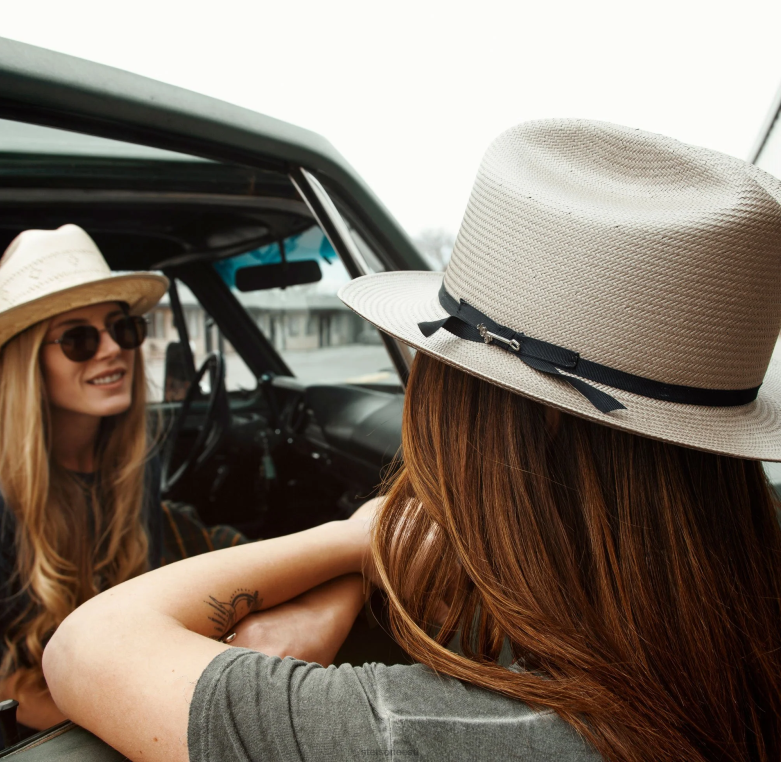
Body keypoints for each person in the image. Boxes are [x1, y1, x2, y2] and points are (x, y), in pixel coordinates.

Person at [44, 120, 781, 762]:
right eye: (77, 339)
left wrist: (361, 537)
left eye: (431, 367)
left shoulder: (416, 735)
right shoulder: (741, 635)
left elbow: (88, 648)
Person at [0, 224, 168, 733]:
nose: (112, 348)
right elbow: (7, 690)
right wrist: (152, 720)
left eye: (123, 328)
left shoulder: (138, 467)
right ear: (29, 361)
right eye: (78, 338)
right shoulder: (4, 494)